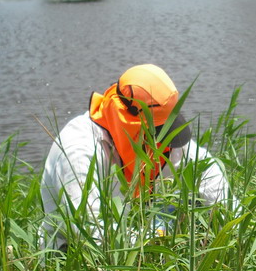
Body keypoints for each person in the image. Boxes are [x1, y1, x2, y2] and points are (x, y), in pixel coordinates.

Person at [39, 64, 237, 252]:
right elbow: (91, 234)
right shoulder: (79, 150)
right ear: (128, 120)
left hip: (131, 229)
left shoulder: (148, 139)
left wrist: (235, 221)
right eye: (156, 132)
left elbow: (203, 168)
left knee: (192, 207)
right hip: (72, 253)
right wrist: (152, 248)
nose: (163, 145)